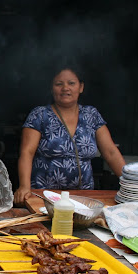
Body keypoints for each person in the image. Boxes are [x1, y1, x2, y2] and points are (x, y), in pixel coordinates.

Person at [14, 67, 125, 205]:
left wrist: (131, 185)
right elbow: (27, 152)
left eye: (71, 83)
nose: (65, 88)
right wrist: (24, 186)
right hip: (45, 197)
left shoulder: (91, 115)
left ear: (81, 87)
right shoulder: (40, 115)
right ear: (52, 88)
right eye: (59, 84)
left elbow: (111, 152)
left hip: (82, 197)